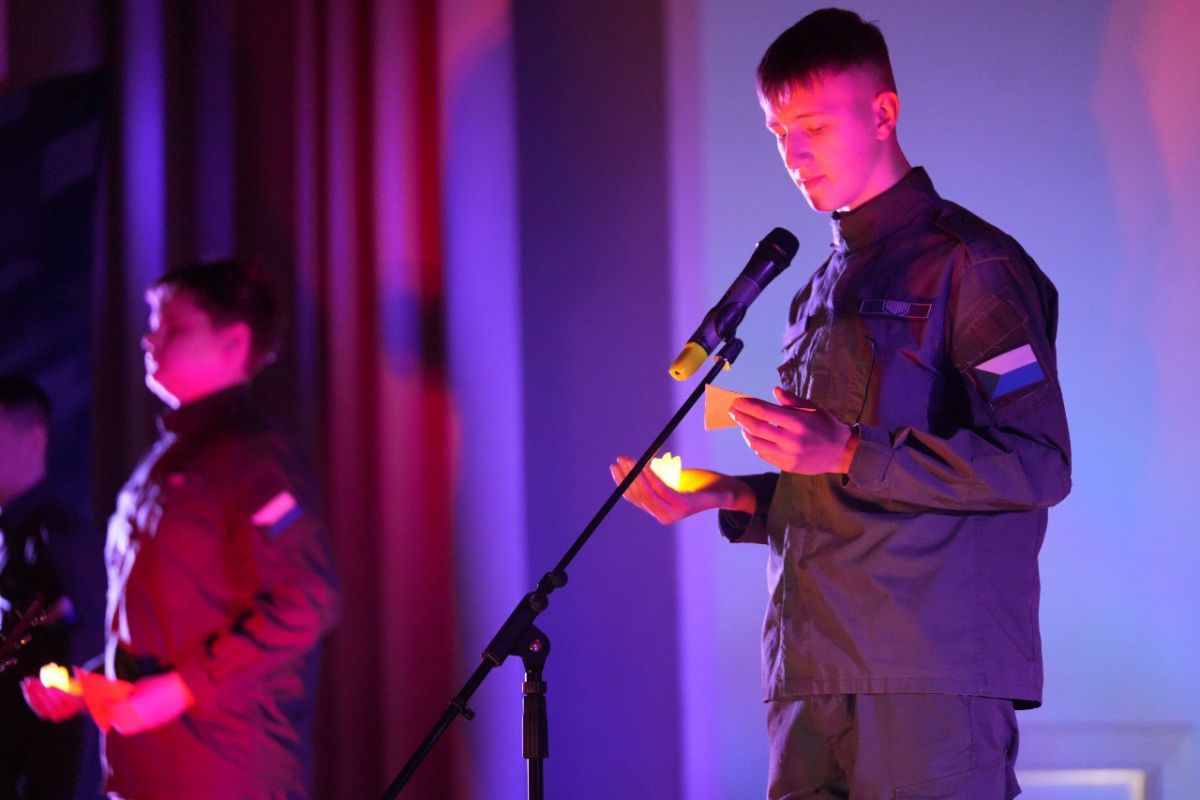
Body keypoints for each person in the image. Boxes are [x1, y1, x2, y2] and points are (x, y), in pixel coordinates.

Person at [612, 9, 1071, 799]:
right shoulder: (816, 289)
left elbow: (1038, 465)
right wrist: (722, 495)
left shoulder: (972, 265)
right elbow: (836, 487)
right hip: (810, 669)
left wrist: (850, 449)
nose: (794, 155)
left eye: (815, 126)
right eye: (778, 131)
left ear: (883, 113)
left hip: (922, 676)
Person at [22, 260, 341, 799]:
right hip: (149, 769)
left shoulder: (252, 457)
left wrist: (181, 689)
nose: (151, 339)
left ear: (234, 342)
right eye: (154, 325)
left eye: (174, 327)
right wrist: (89, 685)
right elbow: (163, 628)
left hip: (222, 770)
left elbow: (307, 599)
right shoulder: (166, 460)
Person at [0, 375, 96, 799]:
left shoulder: (64, 537)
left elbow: (87, 663)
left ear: (34, 440)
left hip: (43, 775)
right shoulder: (9, 533)